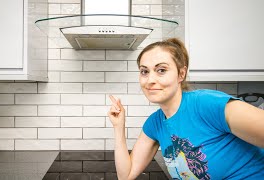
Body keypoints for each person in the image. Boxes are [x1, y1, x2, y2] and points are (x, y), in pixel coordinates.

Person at [108, 38, 264, 180]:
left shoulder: (206, 104)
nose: (150, 80)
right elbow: (126, 175)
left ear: (181, 74)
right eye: (144, 71)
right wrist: (118, 127)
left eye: (161, 70)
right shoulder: (155, 123)